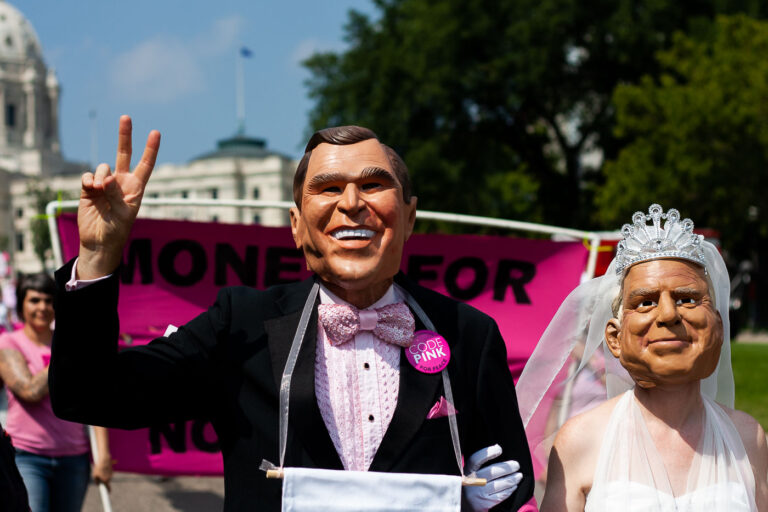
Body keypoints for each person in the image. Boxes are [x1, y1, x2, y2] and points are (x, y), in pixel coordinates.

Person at [48, 116, 534, 511]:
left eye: (373, 184)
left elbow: (515, 479)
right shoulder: (240, 323)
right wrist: (97, 258)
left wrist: (476, 505)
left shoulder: (469, 334)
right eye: (328, 188)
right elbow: (90, 394)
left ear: (408, 216)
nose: (351, 204)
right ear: (297, 227)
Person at [517, 204, 768, 511]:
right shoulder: (581, 440)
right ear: (614, 338)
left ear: (716, 325)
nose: (667, 314)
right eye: (646, 302)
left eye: (687, 299)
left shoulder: (748, 437)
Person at [0, 272, 113, 512]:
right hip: (28, 456)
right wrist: (68, 351)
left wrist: (102, 456)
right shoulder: (8, 344)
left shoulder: (70, 344)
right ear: (21, 303)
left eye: (49, 300)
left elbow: (92, 400)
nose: (42, 307)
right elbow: (29, 391)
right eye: (34, 300)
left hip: (74, 457)